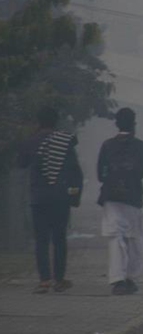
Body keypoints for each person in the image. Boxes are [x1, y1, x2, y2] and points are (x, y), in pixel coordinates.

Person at [17, 106, 83, 294]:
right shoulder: (65, 140)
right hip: (61, 197)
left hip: (38, 197)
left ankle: (44, 280)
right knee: (59, 238)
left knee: (41, 239)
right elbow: (75, 171)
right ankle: (59, 280)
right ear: (56, 121)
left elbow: (21, 163)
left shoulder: (31, 141)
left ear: (38, 121)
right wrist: (74, 196)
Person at [97, 108, 143, 295]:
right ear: (134, 124)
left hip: (111, 197)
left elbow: (100, 174)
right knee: (133, 238)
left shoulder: (107, 145)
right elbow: (141, 172)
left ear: (117, 124)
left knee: (115, 238)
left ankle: (118, 279)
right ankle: (130, 278)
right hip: (133, 197)